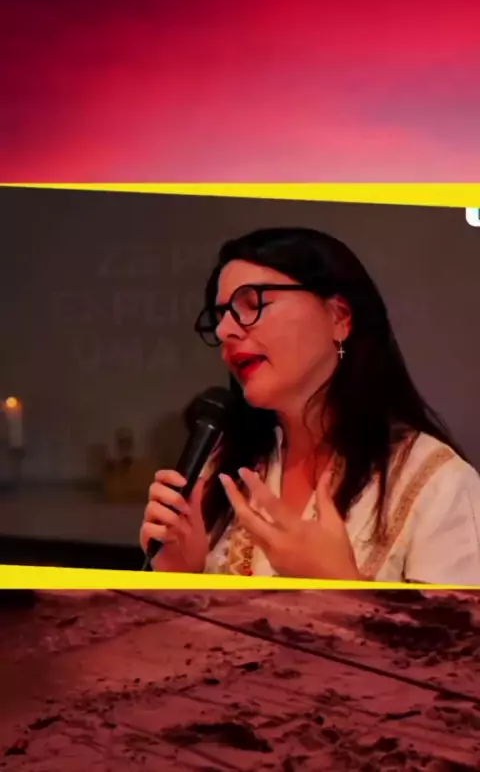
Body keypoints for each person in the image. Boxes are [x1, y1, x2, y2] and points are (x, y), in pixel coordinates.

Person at [140, 227, 480, 584]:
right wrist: (181, 578)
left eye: (253, 305)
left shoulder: (438, 484)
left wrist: (342, 587)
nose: (225, 330)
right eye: (220, 316)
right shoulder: (222, 471)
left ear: (339, 317)